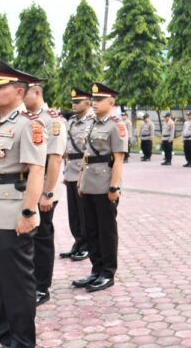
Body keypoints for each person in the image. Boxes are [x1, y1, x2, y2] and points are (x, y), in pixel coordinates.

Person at [0, 60, 47, 348]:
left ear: (18, 92)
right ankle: (5, 338)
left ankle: (23, 341)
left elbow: (36, 170)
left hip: (10, 213)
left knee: (16, 283)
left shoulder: (28, 124)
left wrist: (28, 212)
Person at [72, 82, 128, 292]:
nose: (94, 103)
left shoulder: (116, 125)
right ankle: (96, 269)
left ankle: (107, 272)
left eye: (99, 100)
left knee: (106, 231)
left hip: (104, 185)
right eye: (93, 100)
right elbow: (86, 155)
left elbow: (118, 159)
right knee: (91, 230)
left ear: (111, 102)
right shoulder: (92, 124)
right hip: (88, 184)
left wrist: (114, 187)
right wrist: (80, 180)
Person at [23, 78, 67, 306]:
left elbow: (55, 159)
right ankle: (28, 282)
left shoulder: (52, 120)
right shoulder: (24, 118)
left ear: (37, 93)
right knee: (26, 238)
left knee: (41, 238)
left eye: (24, 93)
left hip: (44, 190)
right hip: (27, 188)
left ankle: (42, 287)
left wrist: (47, 192)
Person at [61, 88, 93, 262]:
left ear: (88, 103)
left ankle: (87, 245)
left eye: (78, 102)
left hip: (84, 171)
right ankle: (78, 243)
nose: (74, 105)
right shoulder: (71, 122)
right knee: (73, 213)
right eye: (73, 102)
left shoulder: (92, 121)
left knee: (84, 212)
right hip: (71, 170)